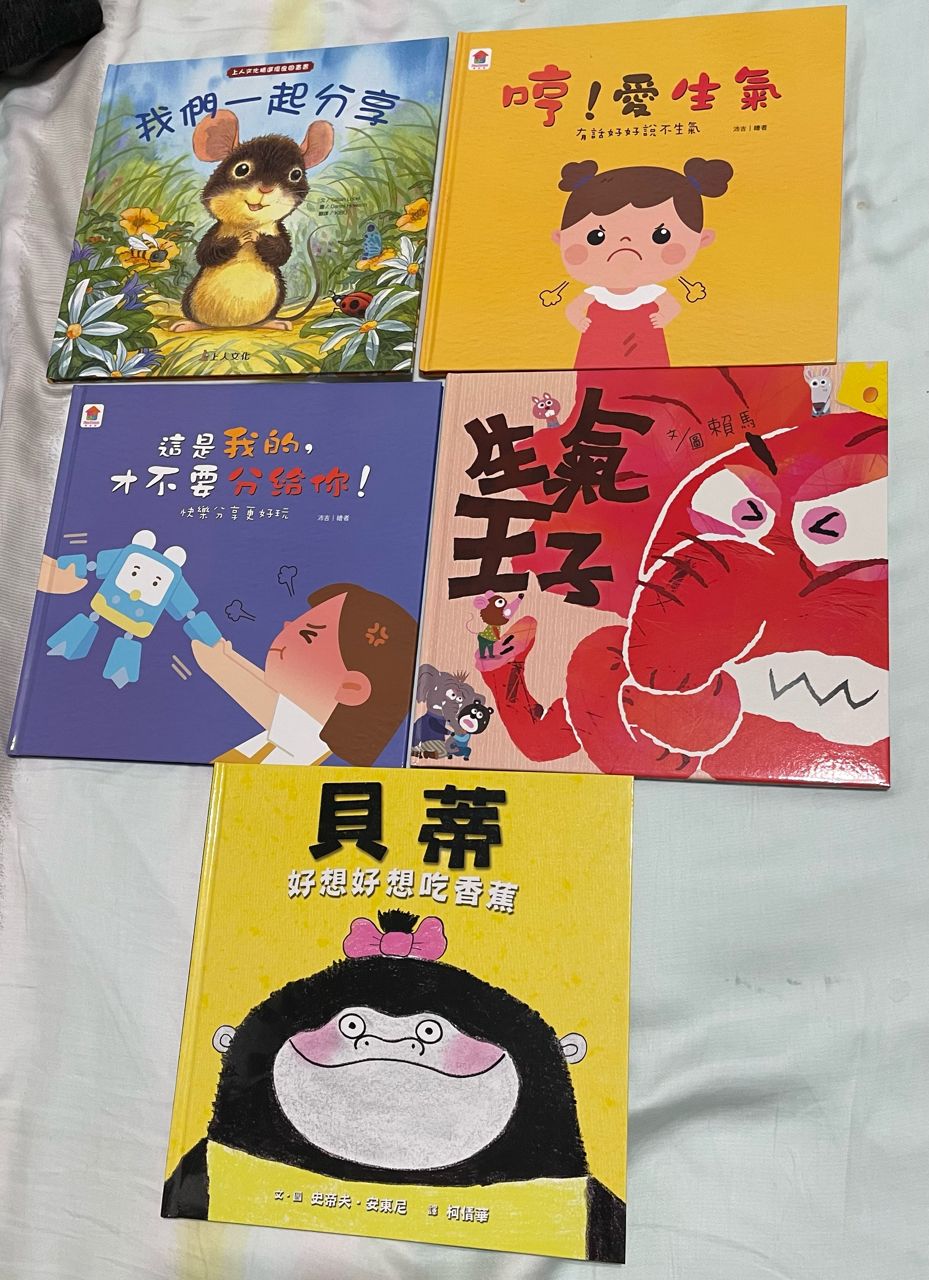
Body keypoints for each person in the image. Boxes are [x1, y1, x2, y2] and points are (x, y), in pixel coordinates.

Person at [190, 582, 416, 766]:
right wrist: (226, 657)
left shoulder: (306, 744)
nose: (287, 625)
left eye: (308, 633)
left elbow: (273, 707)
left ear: (350, 689)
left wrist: (221, 666)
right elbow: (274, 700)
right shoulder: (288, 736)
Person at [552, 156, 733, 368]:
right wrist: (579, 320)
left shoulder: (649, 292)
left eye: (661, 235)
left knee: (652, 374)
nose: (625, 242)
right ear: (560, 239)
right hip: (599, 345)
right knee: (594, 373)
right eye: (595, 237)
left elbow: (671, 306)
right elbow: (573, 309)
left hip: (646, 344)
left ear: (703, 239)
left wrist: (664, 316)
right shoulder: (597, 293)